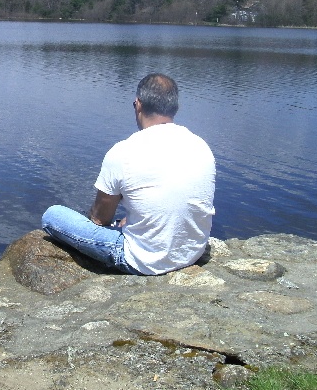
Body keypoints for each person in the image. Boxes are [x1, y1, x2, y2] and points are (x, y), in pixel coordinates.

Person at [41, 73, 215, 275]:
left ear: (138, 105)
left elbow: (99, 219)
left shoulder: (123, 151)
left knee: (52, 215)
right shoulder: (200, 146)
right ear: (174, 108)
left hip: (144, 261)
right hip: (192, 252)